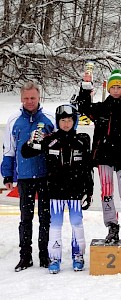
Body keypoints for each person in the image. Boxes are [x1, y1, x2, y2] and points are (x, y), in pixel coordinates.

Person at [21, 104, 93, 274]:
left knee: (77, 223)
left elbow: (87, 169)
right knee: (56, 224)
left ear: (74, 121)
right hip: (55, 192)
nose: (66, 124)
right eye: (62, 120)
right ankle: (54, 257)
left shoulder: (82, 139)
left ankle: (78, 256)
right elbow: (26, 152)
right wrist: (31, 141)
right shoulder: (49, 140)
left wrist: (88, 192)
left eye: (69, 120)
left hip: (76, 191)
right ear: (57, 122)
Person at [75, 69, 121, 243]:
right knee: (106, 193)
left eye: (119, 87)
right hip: (104, 156)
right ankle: (111, 225)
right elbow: (83, 107)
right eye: (113, 87)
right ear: (109, 88)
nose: (116, 90)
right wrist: (85, 87)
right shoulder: (101, 108)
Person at [1, 81, 56, 272]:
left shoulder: (49, 118)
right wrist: (7, 175)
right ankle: (25, 256)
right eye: (26, 98)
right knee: (25, 218)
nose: (29, 101)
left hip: (45, 176)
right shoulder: (13, 119)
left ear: (39, 97)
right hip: (24, 177)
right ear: (21, 99)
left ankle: (44, 255)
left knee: (45, 218)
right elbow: (9, 150)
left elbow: (60, 144)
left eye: (32, 98)